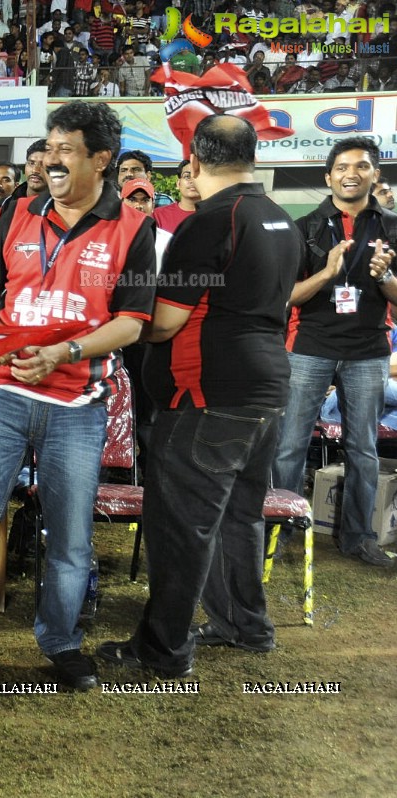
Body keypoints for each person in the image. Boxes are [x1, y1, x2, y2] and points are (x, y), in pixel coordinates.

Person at [0, 101, 155, 696]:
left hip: (77, 407)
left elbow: (131, 323)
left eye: (66, 150)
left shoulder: (132, 225)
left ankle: (62, 643)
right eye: (49, 148)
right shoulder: (20, 213)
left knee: (71, 539)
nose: (51, 160)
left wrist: (65, 354)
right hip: (3, 398)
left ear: (101, 159)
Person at [97, 114, 303, 677]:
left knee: (181, 526)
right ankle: (245, 624)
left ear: (193, 159)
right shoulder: (280, 217)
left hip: (208, 392)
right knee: (240, 514)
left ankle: (162, 650)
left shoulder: (210, 221)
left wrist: (120, 313)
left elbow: (163, 322)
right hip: (265, 389)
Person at [271, 136, 397, 569]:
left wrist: (385, 279)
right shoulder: (303, 226)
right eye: (342, 167)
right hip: (310, 347)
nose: (351, 173)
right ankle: (281, 529)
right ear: (328, 177)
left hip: (368, 350)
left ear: (374, 174)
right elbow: (287, 296)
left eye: (361, 166)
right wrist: (326, 273)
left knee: (363, 448)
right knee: (289, 446)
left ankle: (358, 538)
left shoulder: (393, 228)